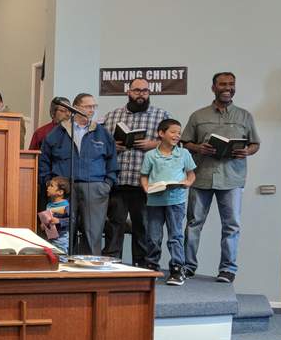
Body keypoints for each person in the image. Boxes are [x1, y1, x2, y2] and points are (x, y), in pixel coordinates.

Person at [181, 72, 261, 283]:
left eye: (232, 84)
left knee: (231, 225)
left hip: (232, 179)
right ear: (213, 88)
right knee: (193, 223)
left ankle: (227, 269)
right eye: (223, 84)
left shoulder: (245, 116)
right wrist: (199, 147)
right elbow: (185, 142)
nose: (228, 87)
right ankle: (188, 266)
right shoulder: (198, 116)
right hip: (201, 177)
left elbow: (255, 144)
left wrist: (247, 151)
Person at [100, 78, 169, 267]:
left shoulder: (161, 115)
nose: (141, 94)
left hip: (145, 184)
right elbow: (101, 144)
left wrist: (153, 144)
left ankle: (142, 267)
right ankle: (112, 266)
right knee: (114, 226)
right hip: (118, 181)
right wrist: (113, 146)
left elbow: (173, 143)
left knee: (143, 227)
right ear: (128, 92)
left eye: (145, 91)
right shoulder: (112, 116)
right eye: (137, 90)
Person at [38, 93, 118, 255]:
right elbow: (44, 159)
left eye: (94, 107)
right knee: (59, 231)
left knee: (92, 232)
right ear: (76, 108)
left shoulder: (101, 133)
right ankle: (58, 265)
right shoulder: (58, 132)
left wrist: (107, 184)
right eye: (88, 106)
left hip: (95, 188)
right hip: (63, 189)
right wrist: (48, 181)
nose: (92, 110)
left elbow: (112, 160)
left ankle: (89, 273)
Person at [140, 119, 197, 285]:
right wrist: (145, 187)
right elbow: (144, 176)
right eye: (173, 132)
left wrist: (188, 182)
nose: (177, 135)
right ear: (161, 133)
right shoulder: (150, 155)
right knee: (153, 236)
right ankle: (152, 265)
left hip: (176, 200)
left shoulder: (184, 154)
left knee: (175, 236)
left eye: (179, 133)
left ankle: (177, 268)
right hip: (155, 200)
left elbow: (191, 174)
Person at [44, 176, 70, 254]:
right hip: (50, 236)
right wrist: (44, 224)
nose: (48, 187)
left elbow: (71, 220)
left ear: (60, 192)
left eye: (51, 186)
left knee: (61, 256)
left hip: (61, 237)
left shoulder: (66, 205)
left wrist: (59, 221)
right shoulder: (49, 205)